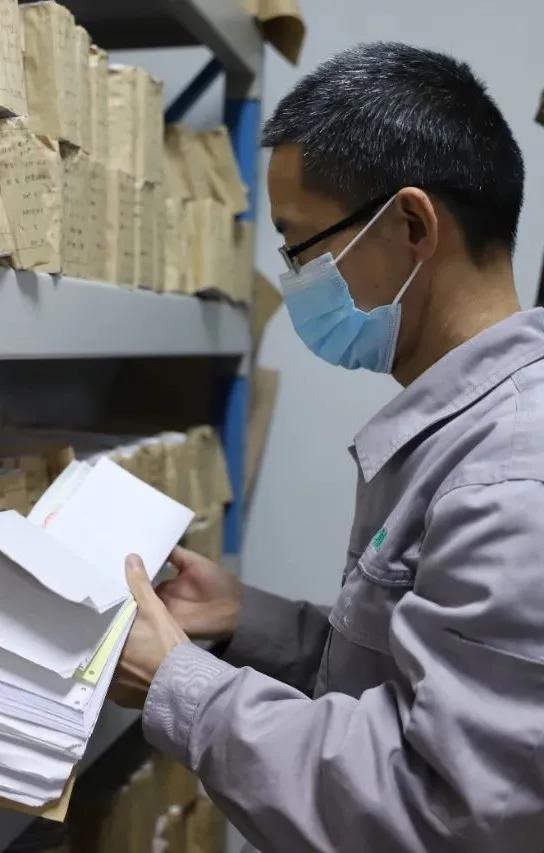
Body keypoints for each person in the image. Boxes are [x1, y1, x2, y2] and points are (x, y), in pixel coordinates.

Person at [112, 42, 544, 852]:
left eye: (302, 244)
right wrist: (249, 620)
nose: (295, 277)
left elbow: (437, 810)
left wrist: (181, 686)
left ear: (412, 225)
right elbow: (405, 683)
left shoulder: (511, 477)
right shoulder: (469, 431)